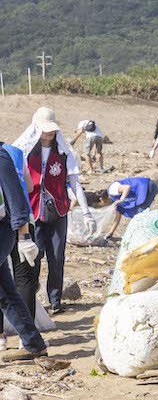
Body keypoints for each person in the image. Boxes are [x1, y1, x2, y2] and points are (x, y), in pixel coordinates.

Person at [13, 108, 95, 315]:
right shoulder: (24, 152)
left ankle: (55, 300)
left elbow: (75, 184)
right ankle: (32, 301)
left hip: (58, 211)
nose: (50, 134)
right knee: (34, 257)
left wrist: (86, 212)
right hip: (33, 213)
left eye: (52, 130)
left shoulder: (64, 153)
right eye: (46, 130)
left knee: (57, 257)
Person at [0, 141, 48, 359]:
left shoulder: (1, 156)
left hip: (1, 229)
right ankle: (34, 344)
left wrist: (24, 237)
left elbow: (16, 196)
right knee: (6, 293)